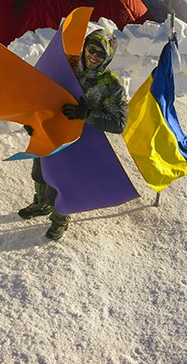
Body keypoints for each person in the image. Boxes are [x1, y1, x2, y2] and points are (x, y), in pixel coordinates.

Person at [18, 28, 129, 241]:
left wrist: (85, 114)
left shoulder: (111, 86)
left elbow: (118, 123)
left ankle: (60, 219)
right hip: (52, 131)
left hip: (81, 141)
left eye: (101, 54)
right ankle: (41, 204)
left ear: (108, 58)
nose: (94, 56)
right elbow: (40, 93)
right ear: (85, 46)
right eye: (91, 49)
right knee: (40, 172)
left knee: (66, 181)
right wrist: (31, 121)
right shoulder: (68, 66)